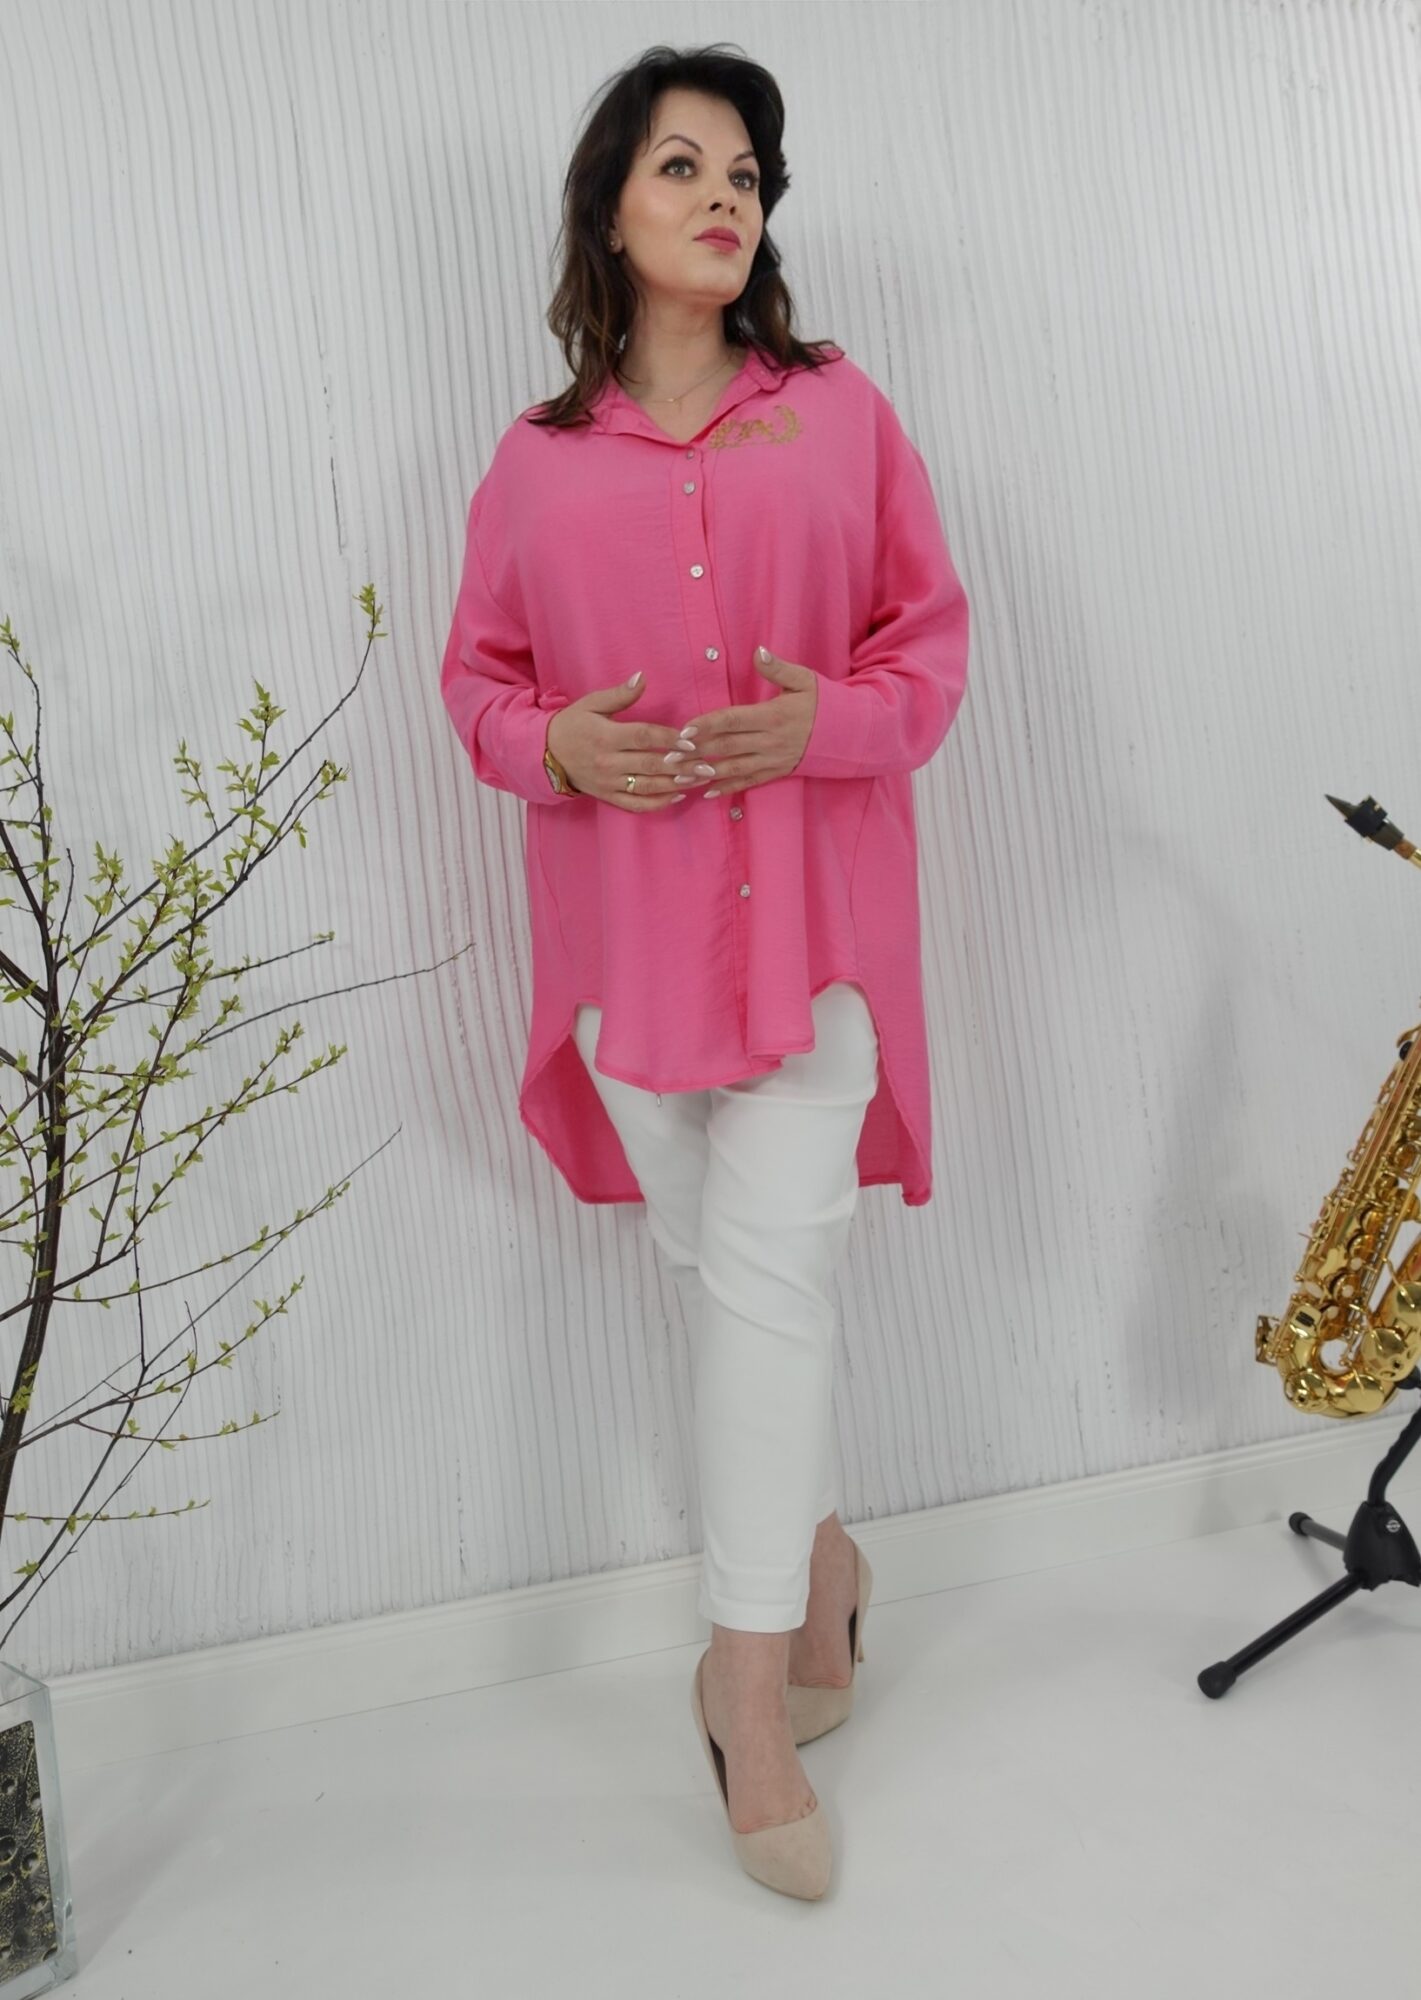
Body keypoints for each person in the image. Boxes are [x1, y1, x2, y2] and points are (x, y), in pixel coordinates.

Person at [440, 44, 970, 1900]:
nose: (723, 196)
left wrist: (829, 722)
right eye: (681, 165)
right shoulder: (535, 461)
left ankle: (743, 1698)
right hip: (630, 967)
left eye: (745, 171)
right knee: (733, 1286)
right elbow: (477, 686)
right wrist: (553, 749)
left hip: (815, 944)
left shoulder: (838, 414)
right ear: (609, 208)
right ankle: (822, 1565)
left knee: (760, 1287)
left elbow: (929, 652)